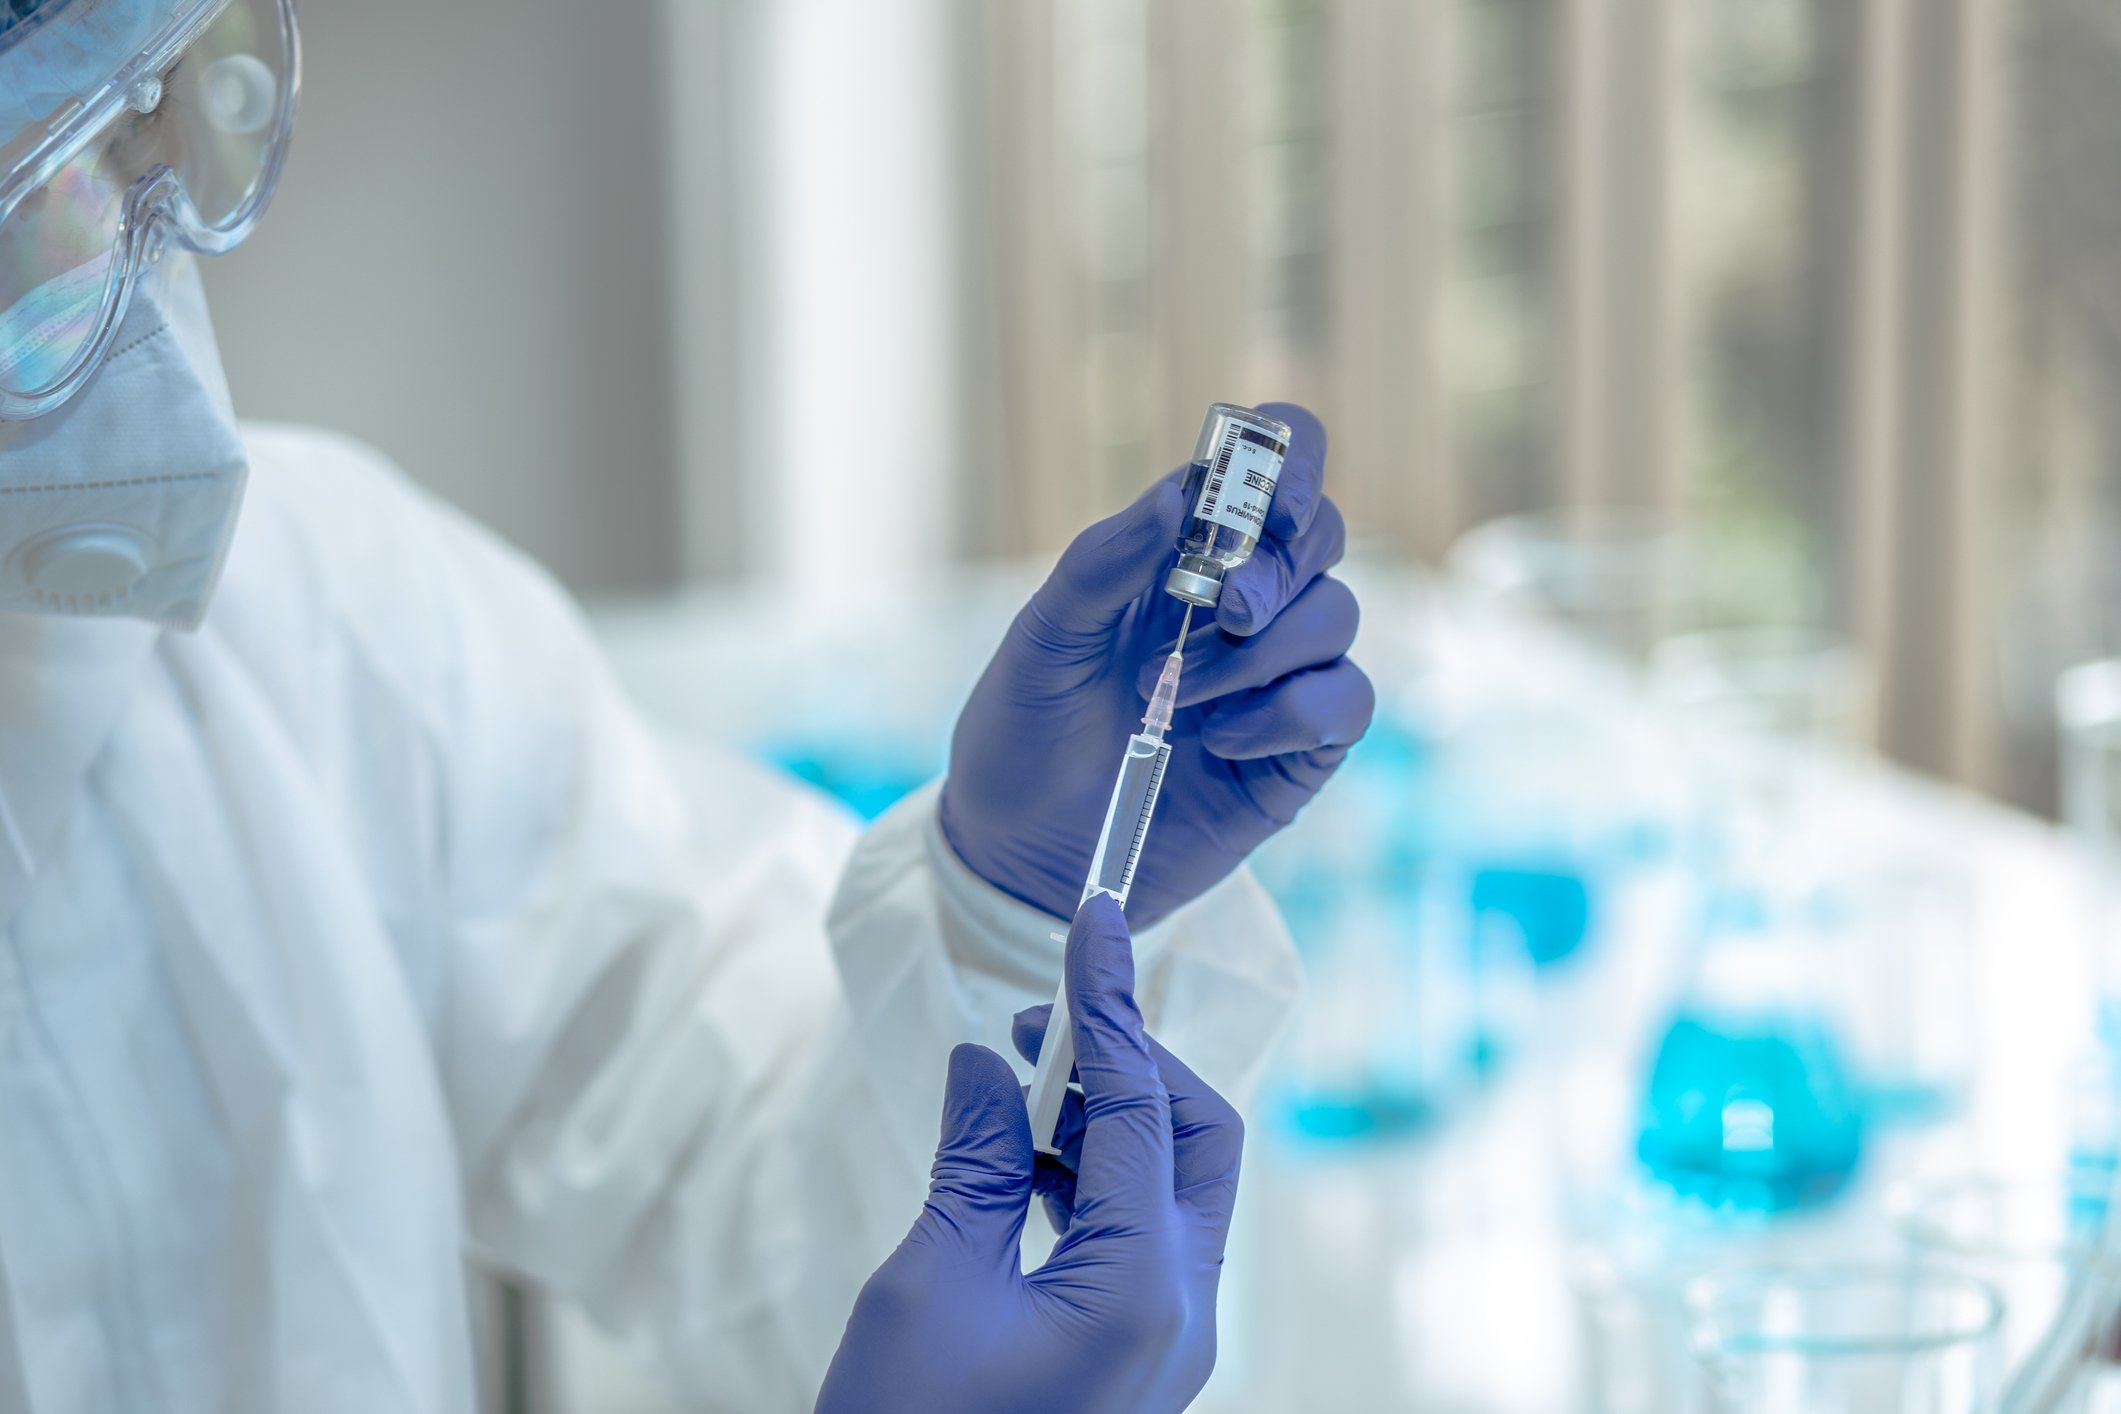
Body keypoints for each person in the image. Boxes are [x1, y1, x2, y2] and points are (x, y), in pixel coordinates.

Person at [0, 2, 1373, 1412]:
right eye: (44, 150)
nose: (141, 201)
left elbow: (715, 1132)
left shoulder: (323, 618)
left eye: (149, 91)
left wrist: (1002, 914)